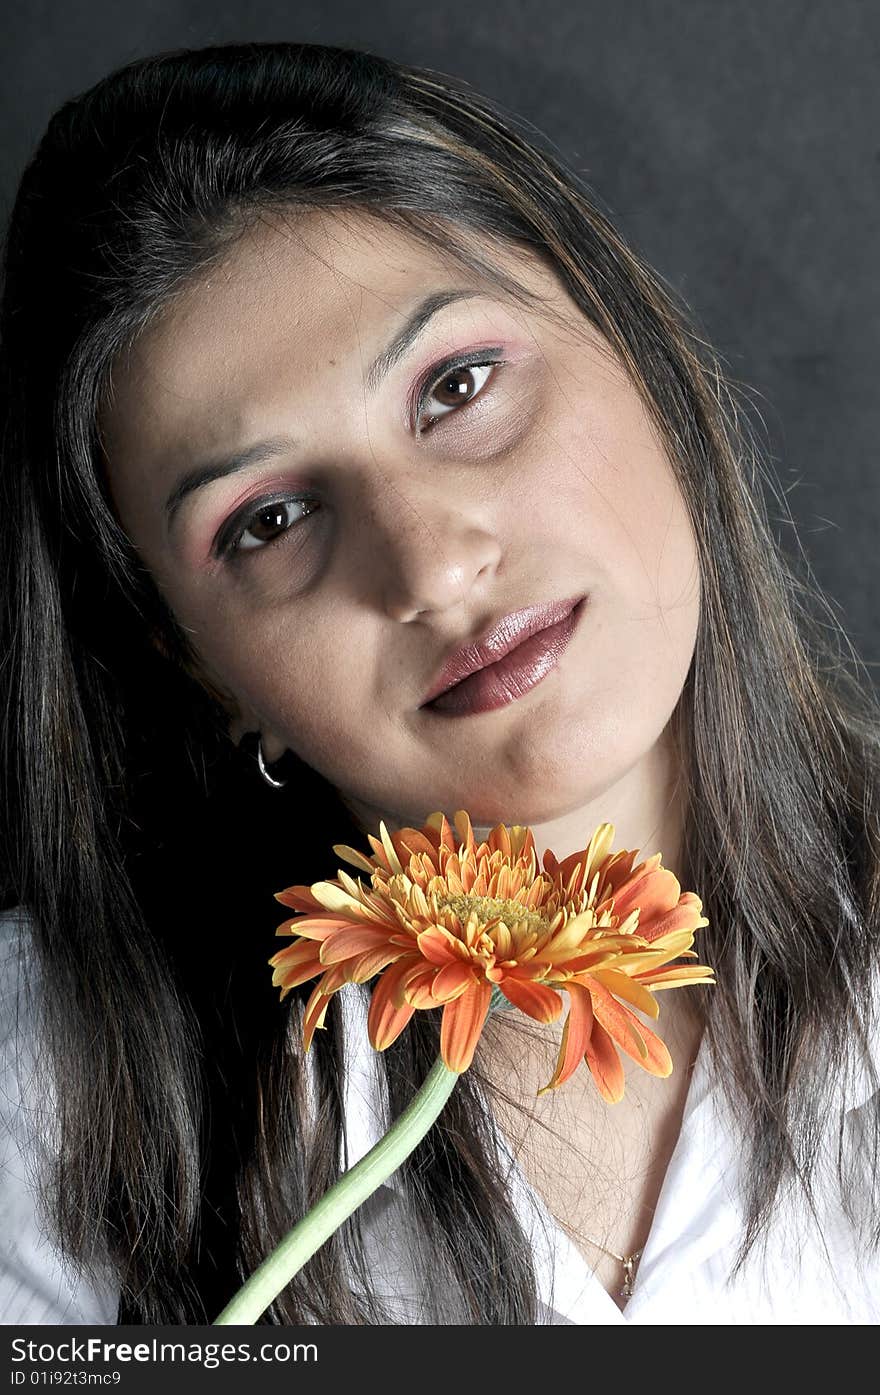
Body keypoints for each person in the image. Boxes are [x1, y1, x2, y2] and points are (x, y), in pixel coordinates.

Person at [0, 39, 878, 1328]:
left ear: (636, 353)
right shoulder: (38, 1102)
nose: (430, 563)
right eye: (270, 518)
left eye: (457, 388)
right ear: (196, 663)